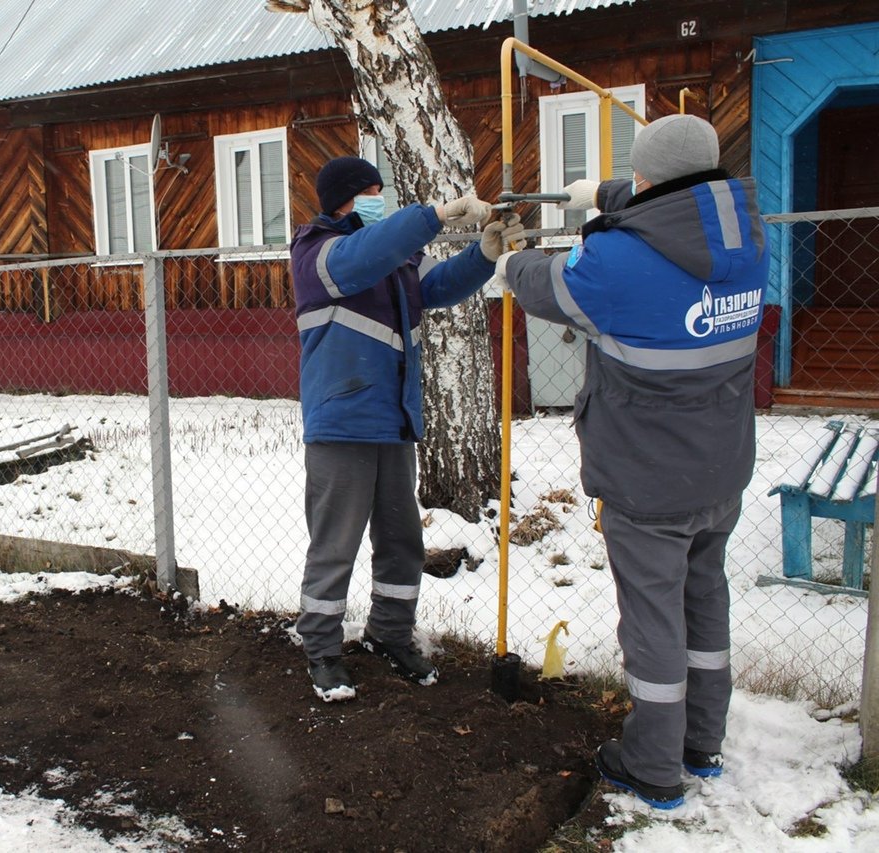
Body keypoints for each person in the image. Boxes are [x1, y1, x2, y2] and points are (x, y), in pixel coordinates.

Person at [493, 114, 769, 808]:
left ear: (648, 177)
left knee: (653, 624)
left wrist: (505, 260)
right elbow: (675, 212)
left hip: (649, 480)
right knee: (704, 602)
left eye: (636, 177)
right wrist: (603, 193)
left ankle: (651, 765)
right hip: (720, 469)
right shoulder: (746, 238)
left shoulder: (616, 265)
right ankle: (700, 742)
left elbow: (546, 284)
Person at [291, 155, 524, 703]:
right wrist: (435, 215)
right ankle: (322, 649)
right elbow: (361, 258)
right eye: (371, 190)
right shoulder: (319, 251)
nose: (379, 197)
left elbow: (434, 286)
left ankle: (390, 632)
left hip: (394, 418)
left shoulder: (391, 255)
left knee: (401, 540)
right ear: (344, 197)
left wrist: (484, 254)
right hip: (343, 421)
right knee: (335, 544)